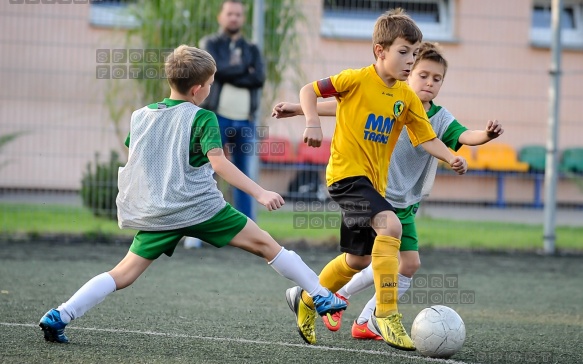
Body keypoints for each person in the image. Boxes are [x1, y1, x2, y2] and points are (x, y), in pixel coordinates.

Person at [38, 45, 346, 344]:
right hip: (201, 208)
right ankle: (320, 295)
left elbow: (137, 155)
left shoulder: (141, 115)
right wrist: (261, 192)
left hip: (160, 211)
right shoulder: (202, 118)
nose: (211, 89)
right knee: (267, 245)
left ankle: (60, 314)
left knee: (123, 273)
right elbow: (220, 164)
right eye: (211, 84)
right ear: (198, 89)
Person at [273, 42, 504, 341]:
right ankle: (382, 314)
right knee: (389, 228)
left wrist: (472, 143)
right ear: (393, 60)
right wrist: (303, 113)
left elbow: (444, 137)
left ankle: (311, 298)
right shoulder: (367, 83)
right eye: (423, 74)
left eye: (437, 78)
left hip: (393, 198)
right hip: (357, 183)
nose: (429, 82)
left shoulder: (417, 106)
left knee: (363, 260)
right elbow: (342, 102)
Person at [184, 0, 265, 249]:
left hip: (245, 121)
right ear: (221, 16)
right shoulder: (210, 44)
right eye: (229, 14)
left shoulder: (252, 48)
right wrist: (244, 71)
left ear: (243, 18)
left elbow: (259, 78)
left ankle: (250, 236)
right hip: (216, 118)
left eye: (238, 14)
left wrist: (235, 70)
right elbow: (215, 72)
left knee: (244, 175)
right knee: (206, 173)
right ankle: (195, 233)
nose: (234, 18)